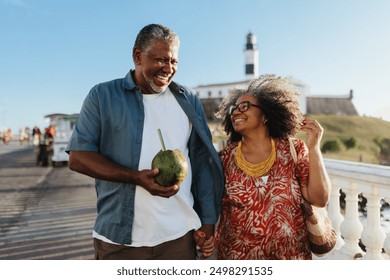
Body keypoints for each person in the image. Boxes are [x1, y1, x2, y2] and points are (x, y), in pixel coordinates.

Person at [65, 23, 223, 260]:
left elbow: (201, 163)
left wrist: (208, 220)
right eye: (160, 60)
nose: (168, 68)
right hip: (119, 240)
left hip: (179, 236)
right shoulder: (102, 96)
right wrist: (136, 178)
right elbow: (79, 158)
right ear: (138, 56)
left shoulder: (188, 99)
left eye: (174, 61)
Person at [214, 74, 331, 260]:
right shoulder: (225, 159)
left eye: (244, 106)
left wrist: (314, 147)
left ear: (265, 115)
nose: (236, 112)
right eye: (233, 109)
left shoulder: (293, 150)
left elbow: (319, 199)